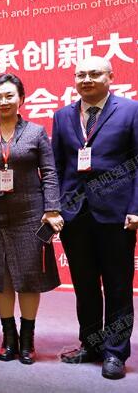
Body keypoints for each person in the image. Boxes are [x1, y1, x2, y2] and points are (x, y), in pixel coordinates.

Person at [53, 56, 138, 380]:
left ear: (110, 77)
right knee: (85, 285)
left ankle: (115, 352)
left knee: (117, 286)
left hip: (116, 214)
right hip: (75, 215)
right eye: (80, 74)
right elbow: (57, 167)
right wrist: (55, 206)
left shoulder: (130, 110)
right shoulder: (62, 116)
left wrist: (136, 207)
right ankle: (90, 344)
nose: (86, 79)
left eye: (94, 74)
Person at [0, 74, 64, 364]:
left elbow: (49, 173)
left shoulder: (36, 132)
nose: (3, 101)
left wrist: (52, 208)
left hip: (30, 214)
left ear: (21, 99)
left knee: (28, 278)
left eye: (9, 95)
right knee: (1, 279)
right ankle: (8, 337)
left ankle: (27, 338)